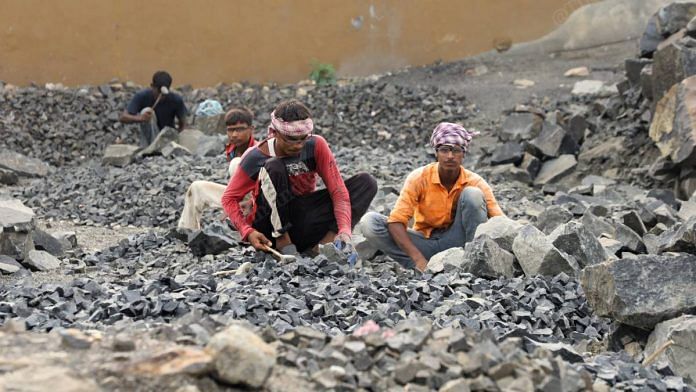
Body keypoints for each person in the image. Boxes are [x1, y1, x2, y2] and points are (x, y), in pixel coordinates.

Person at [221, 99, 377, 256]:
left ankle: (326, 247)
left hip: (302, 217)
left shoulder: (315, 145)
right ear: (275, 133)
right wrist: (247, 231)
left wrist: (344, 229)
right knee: (275, 166)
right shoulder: (256, 156)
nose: (298, 145)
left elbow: (338, 191)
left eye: (303, 139)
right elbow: (229, 199)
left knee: (366, 182)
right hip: (269, 229)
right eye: (291, 139)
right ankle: (284, 245)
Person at [360, 122, 504, 272]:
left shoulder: (475, 181)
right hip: (424, 243)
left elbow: (500, 221)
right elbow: (396, 221)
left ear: (464, 154)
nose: (450, 156)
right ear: (436, 153)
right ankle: (418, 268)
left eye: (456, 150)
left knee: (472, 194)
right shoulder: (419, 178)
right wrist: (418, 260)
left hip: (460, 244)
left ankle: (472, 264)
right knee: (370, 222)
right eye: (444, 150)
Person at [177, 107, 256, 230]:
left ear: (251, 130)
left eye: (240, 130)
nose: (234, 134)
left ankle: (245, 221)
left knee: (237, 164)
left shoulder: (259, 151)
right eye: (230, 130)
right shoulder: (232, 150)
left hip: (257, 203)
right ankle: (188, 232)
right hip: (237, 198)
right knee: (197, 187)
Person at [119, 70, 188, 147]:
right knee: (147, 110)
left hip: (167, 138)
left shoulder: (176, 100)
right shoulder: (142, 96)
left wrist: (178, 138)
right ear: (152, 86)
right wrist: (140, 118)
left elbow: (183, 123)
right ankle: (152, 147)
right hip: (149, 141)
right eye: (158, 92)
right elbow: (123, 117)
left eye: (163, 95)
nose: (160, 96)